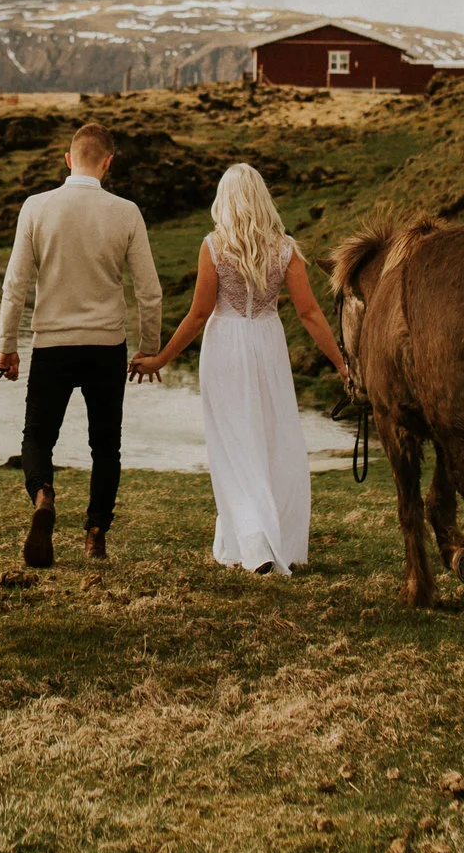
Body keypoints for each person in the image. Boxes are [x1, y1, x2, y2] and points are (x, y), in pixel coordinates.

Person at [130, 164, 348, 575]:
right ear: (262, 198)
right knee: (272, 441)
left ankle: (255, 545)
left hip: (225, 346)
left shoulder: (214, 246)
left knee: (233, 445)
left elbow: (197, 316)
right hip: (268, 343)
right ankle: (262, 539)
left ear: (225, 200)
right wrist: (341, 363)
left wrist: (161, 359)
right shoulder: (286, 249)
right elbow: (309, 313)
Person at [0, 122, 162, 567]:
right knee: (105, 446)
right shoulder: (126, 212)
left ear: (68, 160)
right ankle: (95, 534)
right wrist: (149, 349)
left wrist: (7, 345)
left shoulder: (36, 207)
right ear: (108, 163)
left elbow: (15, 285)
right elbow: (149, 292)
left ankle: (43, 495)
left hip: (52, 345)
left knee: (37, 437)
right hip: (106, 347)